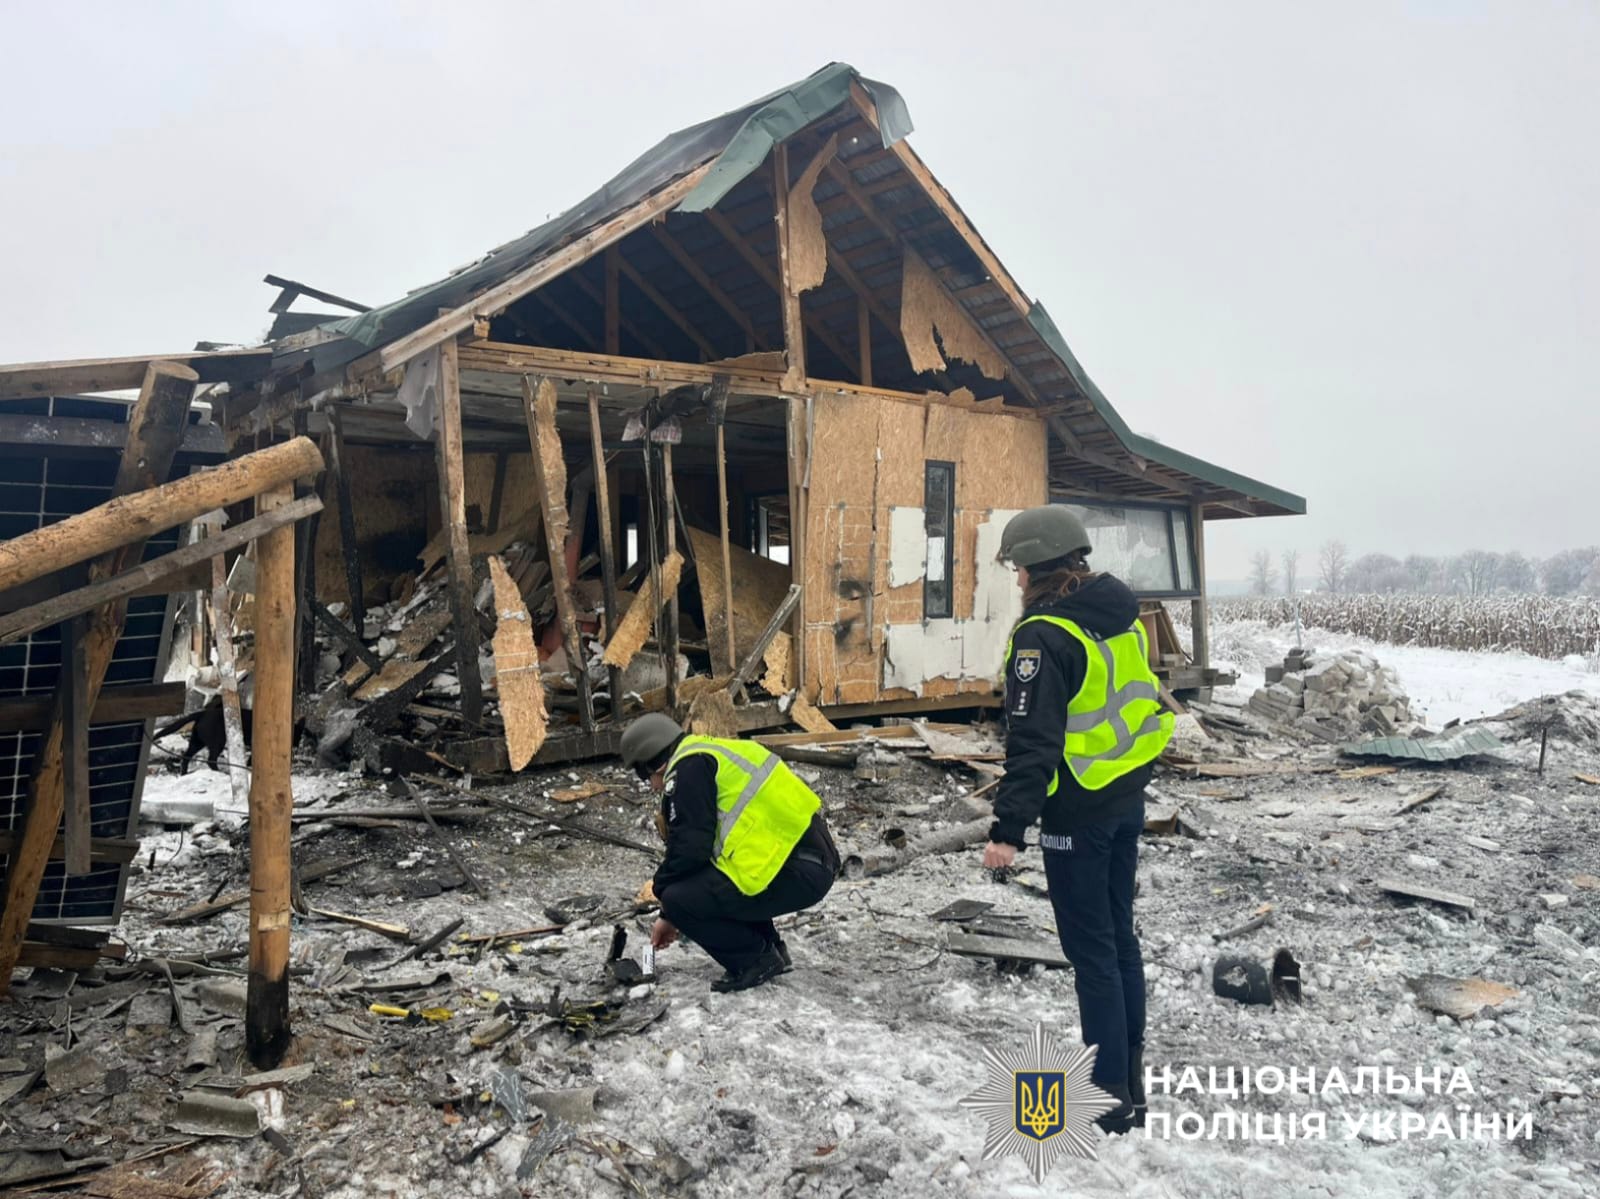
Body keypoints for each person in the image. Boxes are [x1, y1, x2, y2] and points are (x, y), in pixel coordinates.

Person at [981, 505, 1175, 1134]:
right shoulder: (1121, 616)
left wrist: (1009, 831)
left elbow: (1032, 742)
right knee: (1119, 938)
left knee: (1090, 949)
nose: (1015, 580)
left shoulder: (1042, 637)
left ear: (1035, 567)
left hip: (1079, 808)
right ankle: (1132, 1082)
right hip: (1125, 798)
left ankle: (1110, 1094)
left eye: (1017, 569)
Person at [620, 714, 840, 993]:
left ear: (656, 761)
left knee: (679, 895)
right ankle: (771, 949)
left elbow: (690, 851)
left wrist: (665, 898)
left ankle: (755, 960)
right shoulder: (715, 752)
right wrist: (669, 917)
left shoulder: (687, 769)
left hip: (797, 869)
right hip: (812, 862)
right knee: (729, 876)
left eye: (644, 775)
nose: (652, 786)